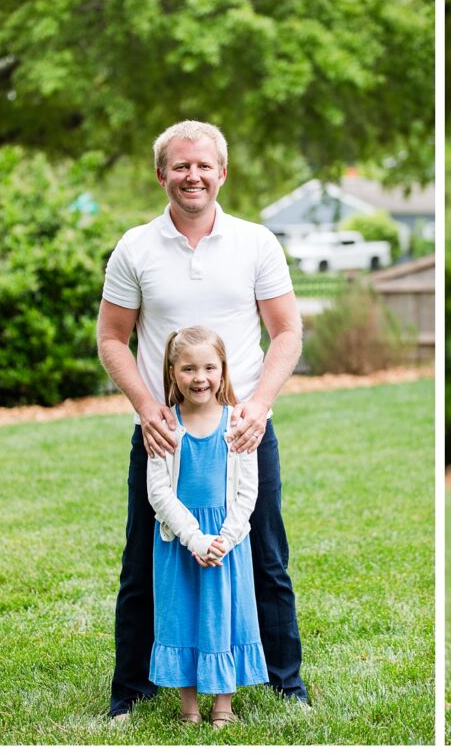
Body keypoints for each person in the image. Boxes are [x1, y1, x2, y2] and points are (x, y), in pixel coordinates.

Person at [98, 120, 308, 721]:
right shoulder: (135, 247)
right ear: (162, 173)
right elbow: (112, 339)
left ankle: (285, 681)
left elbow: (288, 331)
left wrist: (260, 405)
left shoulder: (256, 243)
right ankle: (131, 690)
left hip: (242, 434)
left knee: (265, 556)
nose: (193, 176)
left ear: (223, 173)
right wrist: (146, 406)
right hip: (165, 435)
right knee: (144, 562)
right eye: (181, 166)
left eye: (204, 165)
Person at [148, 326, 268, 728]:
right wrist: (195, 539)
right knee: (181, 615)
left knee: (224, 616)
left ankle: (223, 705)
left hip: (226, 543)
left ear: (223, 370)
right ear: (172, 372)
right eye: (188, 369)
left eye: (209, 368)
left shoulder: (238, 422)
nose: (200, 378)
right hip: (180, 540)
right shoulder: (166, 426)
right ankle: (188, 708)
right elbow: (159, 492)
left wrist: (223, 540)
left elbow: (247, 492)